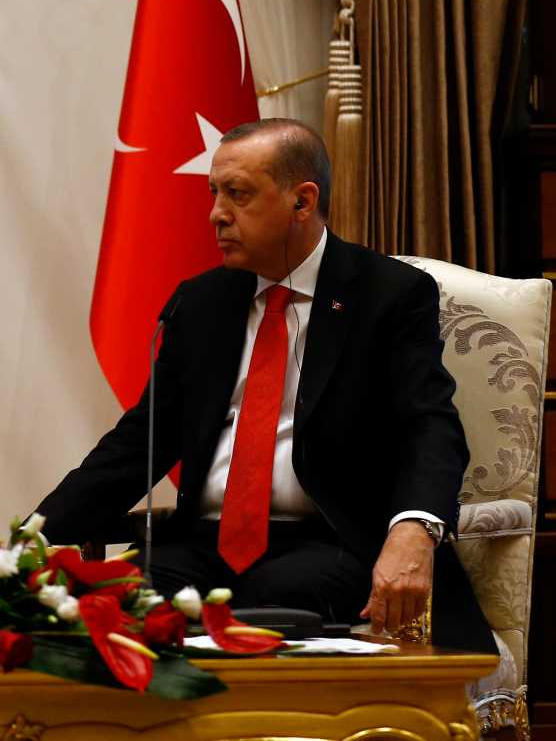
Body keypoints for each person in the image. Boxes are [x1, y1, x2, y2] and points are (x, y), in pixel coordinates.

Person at [35, 118, 493, 652]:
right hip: (200, 544)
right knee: (102, 608)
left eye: (238, 194)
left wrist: (414, 528)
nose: (216, 215)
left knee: (272, 606)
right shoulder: (201, 302)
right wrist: (32, 537)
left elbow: (428, 425)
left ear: (302, 201)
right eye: (214, 193)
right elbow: (140, 441)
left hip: (329, 541)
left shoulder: (387, 294)